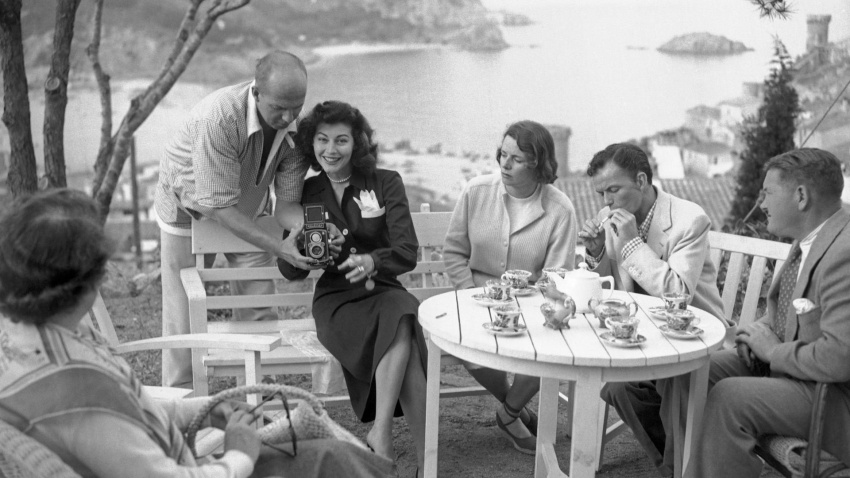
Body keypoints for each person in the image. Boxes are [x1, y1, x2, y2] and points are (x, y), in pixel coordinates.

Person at [0, 188, 393, 478]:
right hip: (201, 469)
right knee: (336, 462)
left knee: (333, 457)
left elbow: (131, 407)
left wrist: (203, 410)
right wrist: (239, 452)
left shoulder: (33, 331)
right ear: (85, 282)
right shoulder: (77, 395)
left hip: (186, 455)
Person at [154, 51, 326, 389]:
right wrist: (278, 247)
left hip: (245, 206)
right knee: (183, 311)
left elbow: (287, 204)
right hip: (185, 206)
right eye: (279, 107)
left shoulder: (295, 128)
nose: (289, 116)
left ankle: (259, 394)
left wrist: (306, 229)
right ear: (256, 92)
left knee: (257, 304)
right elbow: (219, 207)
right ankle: (179, 401)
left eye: (297, 105)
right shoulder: (218, 118)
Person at [277, 101, 427, 475]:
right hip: (337, 301)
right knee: (404, 326)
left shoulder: (385, 181)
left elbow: (407, 251)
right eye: (322, 140)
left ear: (356, 143)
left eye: (341, 140)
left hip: (384, 288)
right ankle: (423, 457)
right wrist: (299, 251)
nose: (331, 150)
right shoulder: (308, 192)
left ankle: (383, 435)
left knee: (402, 312)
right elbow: (290, 270)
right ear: (311, 143)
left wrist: (374, 261)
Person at [683, 148, 850, 478]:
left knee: (731, 398)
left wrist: (772, 351)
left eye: (768, 192)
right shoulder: (813, 237)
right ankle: (681, 469)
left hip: (832, 396)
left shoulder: (844, 253)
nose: (761, 203)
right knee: (697, 370)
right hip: (797, 376)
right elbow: (792, 310)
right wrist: (754, 334)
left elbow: (840, 356)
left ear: (801, 196)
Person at [578, 142, 725, 477]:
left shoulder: (689, 220)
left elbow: (678, 293)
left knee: (669, 383)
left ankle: (681, 465)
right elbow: (610, 288)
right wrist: (597, 253)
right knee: (618, 388)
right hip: (642, 339)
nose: (606, 202)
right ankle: (677, 465)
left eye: (613, 190)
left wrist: (631, 244)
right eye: (601, 193)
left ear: (642, 180)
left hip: (693, 340)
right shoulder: (609, 218)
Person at [443, 120, 578, 454]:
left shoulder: (560, 209)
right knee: (471, 349)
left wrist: (528, 305)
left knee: (551, 351)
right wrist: (468, 294)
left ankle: (508, 413)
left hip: (529, 306)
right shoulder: (476, 191)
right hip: (472, 299)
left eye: (516, 158)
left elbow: (556, 275)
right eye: (502, 154)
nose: (504, 164)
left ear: (538, 163)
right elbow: (454, 252)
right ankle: (513, 410)